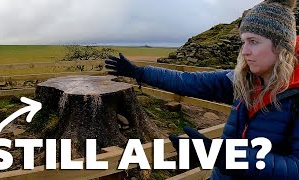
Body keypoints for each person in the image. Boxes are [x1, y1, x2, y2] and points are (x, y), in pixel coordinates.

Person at [105, 0, 299, 179]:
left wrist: (223, 156)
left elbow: (295, 167)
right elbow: (187, 81)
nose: (245, 51)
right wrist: (140, 73)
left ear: (283, 46)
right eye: (243, 42)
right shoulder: (243, 81)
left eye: (254, 41)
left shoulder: (295, 96)